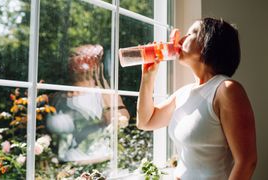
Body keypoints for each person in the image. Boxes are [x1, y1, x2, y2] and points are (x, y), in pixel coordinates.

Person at [136, 17, 257, 179]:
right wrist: (147, 76)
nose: (182, 39)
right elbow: (145, 122)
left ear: (208, 43)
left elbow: (247, 161)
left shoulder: (226, 90)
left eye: (191, 33)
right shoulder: (183, 94)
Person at [47, 44, 130, 164]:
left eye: (85, 58)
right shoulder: (58, 97)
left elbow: (122, 121)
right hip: (65, 167)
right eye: (74, 57)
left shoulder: (103, 94)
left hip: (100, 164)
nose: (79, 63)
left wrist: (101, 81)